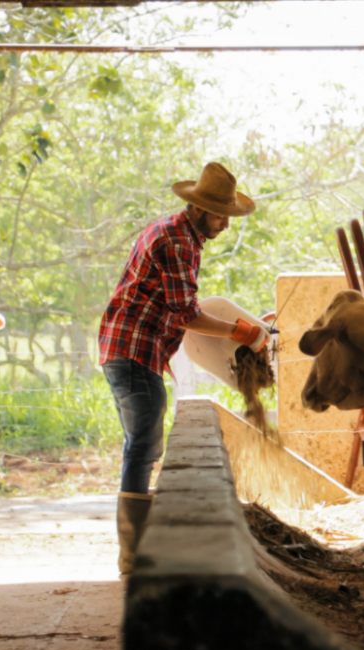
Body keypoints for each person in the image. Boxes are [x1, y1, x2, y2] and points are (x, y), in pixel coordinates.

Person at [98, 162, 268, 574]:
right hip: (134, 351)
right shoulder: (178, 241)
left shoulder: (175, 232)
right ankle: (132, 556)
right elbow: (187, 314)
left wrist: (244, 327)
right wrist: (243, 332)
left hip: (130, 349)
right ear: (200, 209)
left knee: (140, 446)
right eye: (220, 215)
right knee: (143, 447)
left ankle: (135, 551)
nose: (225, 224)